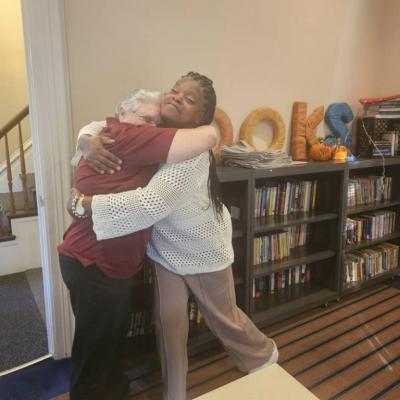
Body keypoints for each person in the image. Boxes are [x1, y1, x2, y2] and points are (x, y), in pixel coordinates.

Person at [73, 72, 278, 400]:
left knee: (224, 319)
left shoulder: (193, 152)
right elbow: (108, 123)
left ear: (199, 118)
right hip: (165, 249)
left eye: (190, 99)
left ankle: (262, 356)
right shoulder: (153, 130)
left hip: (203, 249)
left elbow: (150, 204)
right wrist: (86, 137)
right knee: (168, 323)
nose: (177, 97)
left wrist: (85, 205)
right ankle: (175, 393)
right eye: (175, 90)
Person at [58, 88, 218, 400]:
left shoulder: (113, 135)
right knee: (93, 353)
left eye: (157, 122)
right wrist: (213, 129)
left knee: (109, 344)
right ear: (122, 112)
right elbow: (207, 137)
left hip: (106, 264)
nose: (151, 127)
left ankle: (117, 391)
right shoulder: (128, 136)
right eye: (146, 118)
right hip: (93, 263)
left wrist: (85, 138)